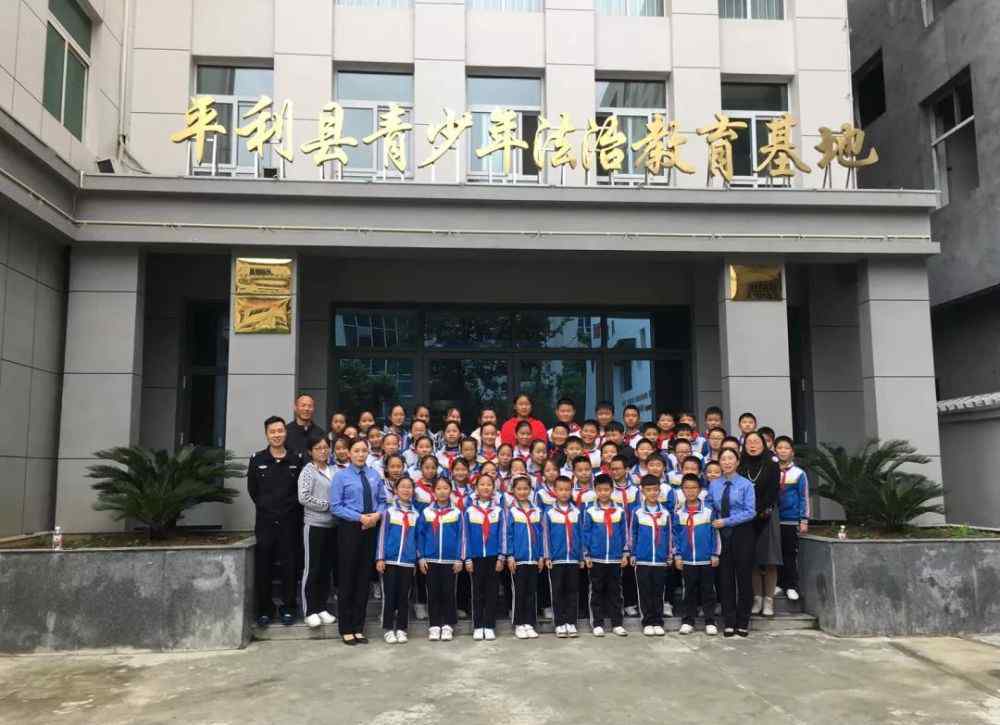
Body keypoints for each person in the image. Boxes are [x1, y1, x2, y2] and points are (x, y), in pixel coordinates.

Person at [329, 439, 386, 646]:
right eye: (356, 451)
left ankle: (358, 627)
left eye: (364, 450)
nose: (361, 454)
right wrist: (359, 517)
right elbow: (335, 506)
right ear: (349, 454)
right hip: (350, 529)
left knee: (363, 579)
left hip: (371, 528)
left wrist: (377, 515)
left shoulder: (374, 474)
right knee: (348, 578)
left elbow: (382, 501)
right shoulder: (341, 476)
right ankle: (346, 628)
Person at [248, 416, 302, 627]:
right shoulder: (257, 459)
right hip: (266, 522)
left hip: (290, 522)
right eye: (273, 431)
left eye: (280, 431)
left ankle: (288, 608)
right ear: (266, 434)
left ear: (285, 433)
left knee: (290, 566)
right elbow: (253, 491)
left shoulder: (296, 459)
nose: (277, 435)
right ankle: (265, 610)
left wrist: (286, 511)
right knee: (264, 566)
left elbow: (299, 491)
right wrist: (269, 510)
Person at [709, 448, 756, 637]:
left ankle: (743, 621)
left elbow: (750, 511)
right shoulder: (714, 485)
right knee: (725, 578)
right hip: (722, 535)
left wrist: (726, 521)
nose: (727, 462)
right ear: (719, 462)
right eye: (723, 459)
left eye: (731, 458)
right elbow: (711, 507)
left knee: (744, 578)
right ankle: (729, 621)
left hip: (742, 533)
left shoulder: (746, 484)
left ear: (737, 462)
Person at [416, 477, 464, 641]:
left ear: (450, 491)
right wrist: (421, 557)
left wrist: (459, 558)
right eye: (439, 488)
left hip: (450, 561)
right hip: (430, 560)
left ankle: (448, 625)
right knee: (433, 593)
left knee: (449, 593)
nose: (442, 491)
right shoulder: (426, 512)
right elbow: (420, 535)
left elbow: (461, 537)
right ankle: (434, 625)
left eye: (445, 488)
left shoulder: (457, 512)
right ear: (433, 491)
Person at [673, 473, 721, 636]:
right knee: (689, 591)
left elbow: (715, 533)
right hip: (687, 560)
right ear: (682, 490)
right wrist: (677, 555)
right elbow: (675, 535)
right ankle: (688, 621)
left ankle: (710, 621)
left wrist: (715, 553)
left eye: (694, 487)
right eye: (687, 488)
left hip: (706, 559)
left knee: (708, 591)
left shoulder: (708, 511)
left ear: (700, 490)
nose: (690, 491)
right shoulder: (679, 512)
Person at [582, 474, 630, 637]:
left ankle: (617, 623)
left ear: (612, 490)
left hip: (615, 558)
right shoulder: (590, 510)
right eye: (600, 490)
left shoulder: (619, 511)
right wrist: (587, 554)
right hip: (596, 558)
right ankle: (597, 623)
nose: (603, 493)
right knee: (596, 591)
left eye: (606, 490)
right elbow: (585, 533)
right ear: (595, 491)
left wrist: (625, 553)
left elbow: (624, 533)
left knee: (615, 592)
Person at [741, 431, 782, 618]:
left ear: (763, 444)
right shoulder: (741, 463)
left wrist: (760, 509)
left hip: (767, 514)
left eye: (756, 441)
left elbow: (773, 490)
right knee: (753, 559)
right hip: (746, 516)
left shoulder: (771, 462)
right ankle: (757, 598)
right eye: (749, 442)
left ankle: (769, 600)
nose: (752, 445)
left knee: (770, 558)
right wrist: (749, 511)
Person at [298, 435, 338, 629]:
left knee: (325, 569)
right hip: (314, 525)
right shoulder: (308, 471)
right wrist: (328, 505)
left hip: (332, 526)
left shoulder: (334, 470)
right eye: (318, 448)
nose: (323, 451)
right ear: (310, 451)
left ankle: (321, 607)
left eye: (325, 447)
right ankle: (309, 611)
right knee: (312, 568)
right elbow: (304, 497)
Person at [376, 476, 418, 644]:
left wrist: (416, 559)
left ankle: (401, 628)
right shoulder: (389, 512)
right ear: (396, 490)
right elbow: (382, 535)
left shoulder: (416, 514)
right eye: (403, 487)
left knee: (404, 596)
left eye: (409, 487)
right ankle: (387, 628)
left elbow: (417, 539)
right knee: (389, 595)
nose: (406, 490)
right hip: (390, 561)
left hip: (408, 562)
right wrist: (380, 557)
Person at [464, 474, 505, 641]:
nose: (485, 487)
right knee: (477, 592)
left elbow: (502, 534)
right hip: (476, 557)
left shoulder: (499, 511)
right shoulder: (469, 511)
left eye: (489, 485)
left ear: (493, 489)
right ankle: (478, 625)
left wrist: (501, 557)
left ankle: (489, 625)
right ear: (476, 488)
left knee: (491, 592)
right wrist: (467, 558)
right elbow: (465, 536)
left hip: (493, 557)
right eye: (482, 484)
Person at [630, 474, 672, 636]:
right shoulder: (637, 512)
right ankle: (647, 622)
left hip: (660, 559)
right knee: (645, 591)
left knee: (658, 592)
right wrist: (633, 553)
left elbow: (670, 535)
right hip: (643, 559)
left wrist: (669, 554)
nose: (652, 493)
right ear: (642, 492)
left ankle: (658, 621)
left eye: (655, 490)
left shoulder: (665, 513)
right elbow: (632, 534)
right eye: (648, 490)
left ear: (659, 491)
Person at [543, 476, 583, 638]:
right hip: (557, 559)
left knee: (572, 591)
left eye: (567, 489)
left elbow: (581, 535)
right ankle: (559, 623)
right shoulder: (549, 512)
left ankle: (571, 622)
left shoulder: (577, 512)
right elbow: (545, 536)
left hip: (573, 558)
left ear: (571, 490)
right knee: (557, 591)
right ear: (555, 491)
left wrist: (581, 556)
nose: (564, 492)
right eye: (561, 489)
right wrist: (547, 556)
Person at [505, 476, 545, 639]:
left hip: (533, 559)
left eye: (525, 489)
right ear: (513, 490)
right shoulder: (511, 511)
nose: (522, 492)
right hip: (518, 559)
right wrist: (510, 556)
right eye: (519, 489)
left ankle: (529, 622)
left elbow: (541, 535)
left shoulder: (537, 511)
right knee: (519, 592)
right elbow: (508, 535)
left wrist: (541, 556)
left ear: (530, 490)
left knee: (531, 592)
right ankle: (518, 623)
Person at [774, 436, 809, 602]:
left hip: (791, 519)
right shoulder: (771, 471)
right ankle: (779, 584)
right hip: (773, 519)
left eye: (786, 448)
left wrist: (804, 519)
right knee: (776, 553)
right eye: (779, 448)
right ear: (775, 451)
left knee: (789, 553)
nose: (783, 451)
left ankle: (792, 586)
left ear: (792, 452)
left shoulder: (799, 473)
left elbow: (804, 497)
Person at [609, 454, 639, 617]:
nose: (615, 472)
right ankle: (615, 604)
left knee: (630, 572)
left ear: (627, 469)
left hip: (632, 534)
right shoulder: (607, 490)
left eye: (618, 468)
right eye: (612, 469)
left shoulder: (636, 490)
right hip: (615, 535)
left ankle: (630, 603)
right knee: (614, 572)